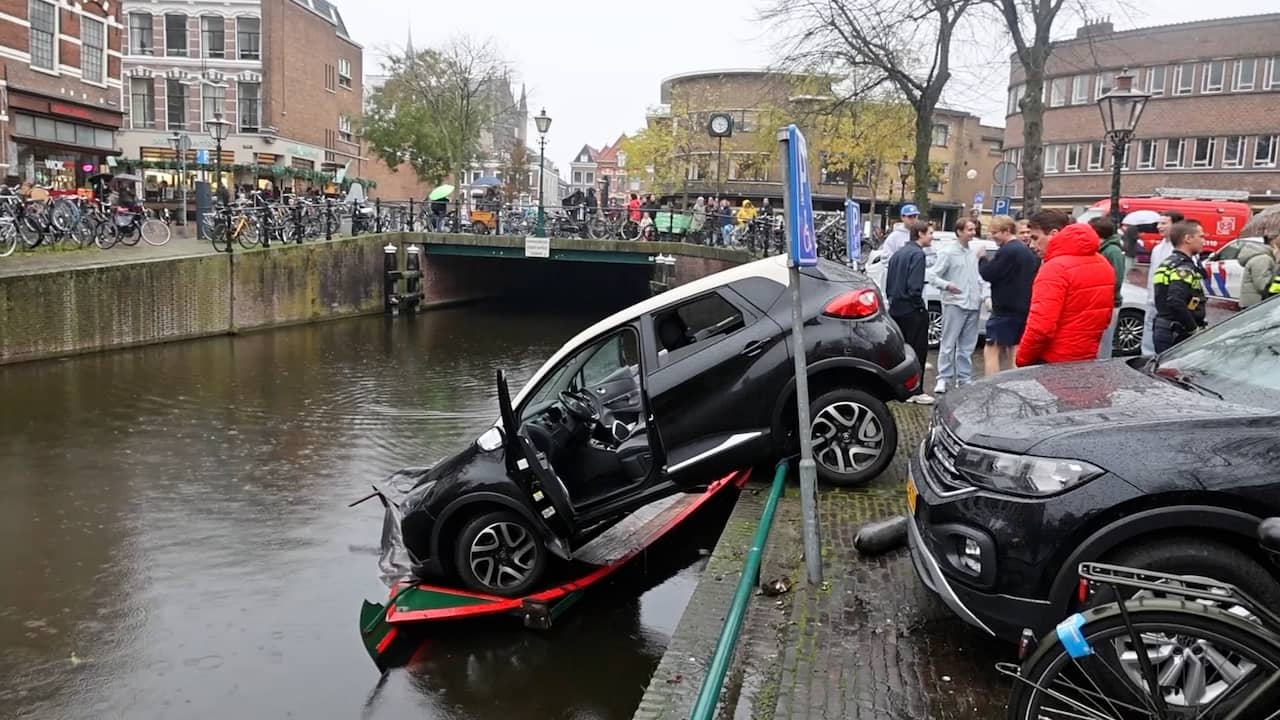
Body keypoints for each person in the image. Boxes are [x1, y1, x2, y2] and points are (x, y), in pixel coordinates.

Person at [1015, 214, 1116, 367]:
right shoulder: (1102, 262)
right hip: (1086, 354)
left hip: (1053, 359)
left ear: (1054, 234)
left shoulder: (1055, 268)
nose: (1031, 245)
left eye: (1035, 238)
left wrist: (1022, 359)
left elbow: (1041, 327)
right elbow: (1105, 315)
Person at [977, 214, 1039, 374]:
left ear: (1006, 231)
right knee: (1015, 350)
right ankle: (1016, 385)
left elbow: (988, 274)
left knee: (992, 349)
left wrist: (982, 259)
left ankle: (991, 386)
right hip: (1023, 307)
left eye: (995, 232)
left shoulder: (1007, 251)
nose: (992, 236)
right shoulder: (1028, 253)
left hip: (1004, 309)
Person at [927, 217, 984, 393]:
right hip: (955, 304)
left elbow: (978, 277)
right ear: (959, 231)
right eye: (969, 230)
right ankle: (943, 378)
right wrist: (947, 285)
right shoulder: (948, 252)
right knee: (948, 343)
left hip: (973, 304)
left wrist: (982, 296)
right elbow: (932, 276)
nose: (973, 233)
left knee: (967, 346)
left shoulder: (973, 252)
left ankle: (964, 378)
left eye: (974, 229)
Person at [884, 220, 935, 404]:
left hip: (896, 308)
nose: (932, 237)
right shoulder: (917, 255)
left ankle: (900, 389)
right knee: (917, 352)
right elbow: (914, 287)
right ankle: (916, 391)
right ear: (920, 234)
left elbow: (889, 283)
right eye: (930, 233)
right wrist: (919, 306)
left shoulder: (898, 254)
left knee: (902, 352)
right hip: (912, 310)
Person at [1152, 220, 1208, 352]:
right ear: (1188, 238)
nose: (1204, 241)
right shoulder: (1183, 267)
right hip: (1177, 332)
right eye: (1201, 236)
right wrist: (1193, 329)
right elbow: (1175, 300)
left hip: (1164, 327)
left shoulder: (1168, 263)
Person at [1141, 210, 1183, 355]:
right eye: (1158, 223)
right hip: (1154, 299)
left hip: (1168, 303)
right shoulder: (1157, 248)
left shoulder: (1179, 249)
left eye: (1164, 223)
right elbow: (1152, 274)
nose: (1159, 226)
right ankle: (1147, 356)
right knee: (1149, 330)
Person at [1089, 217, 1127, 360]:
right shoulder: (1102, 249)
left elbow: (1116, 279)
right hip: (1100, 302)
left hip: (1109, 303)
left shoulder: (1112, 251)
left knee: (1104, 343)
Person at [1237, 233, 1280, 308]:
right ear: (1273, 245)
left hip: (1254, 304)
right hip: (1255, 306)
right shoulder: (1263, 259)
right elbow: (1263, 285)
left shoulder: (1264, 257)